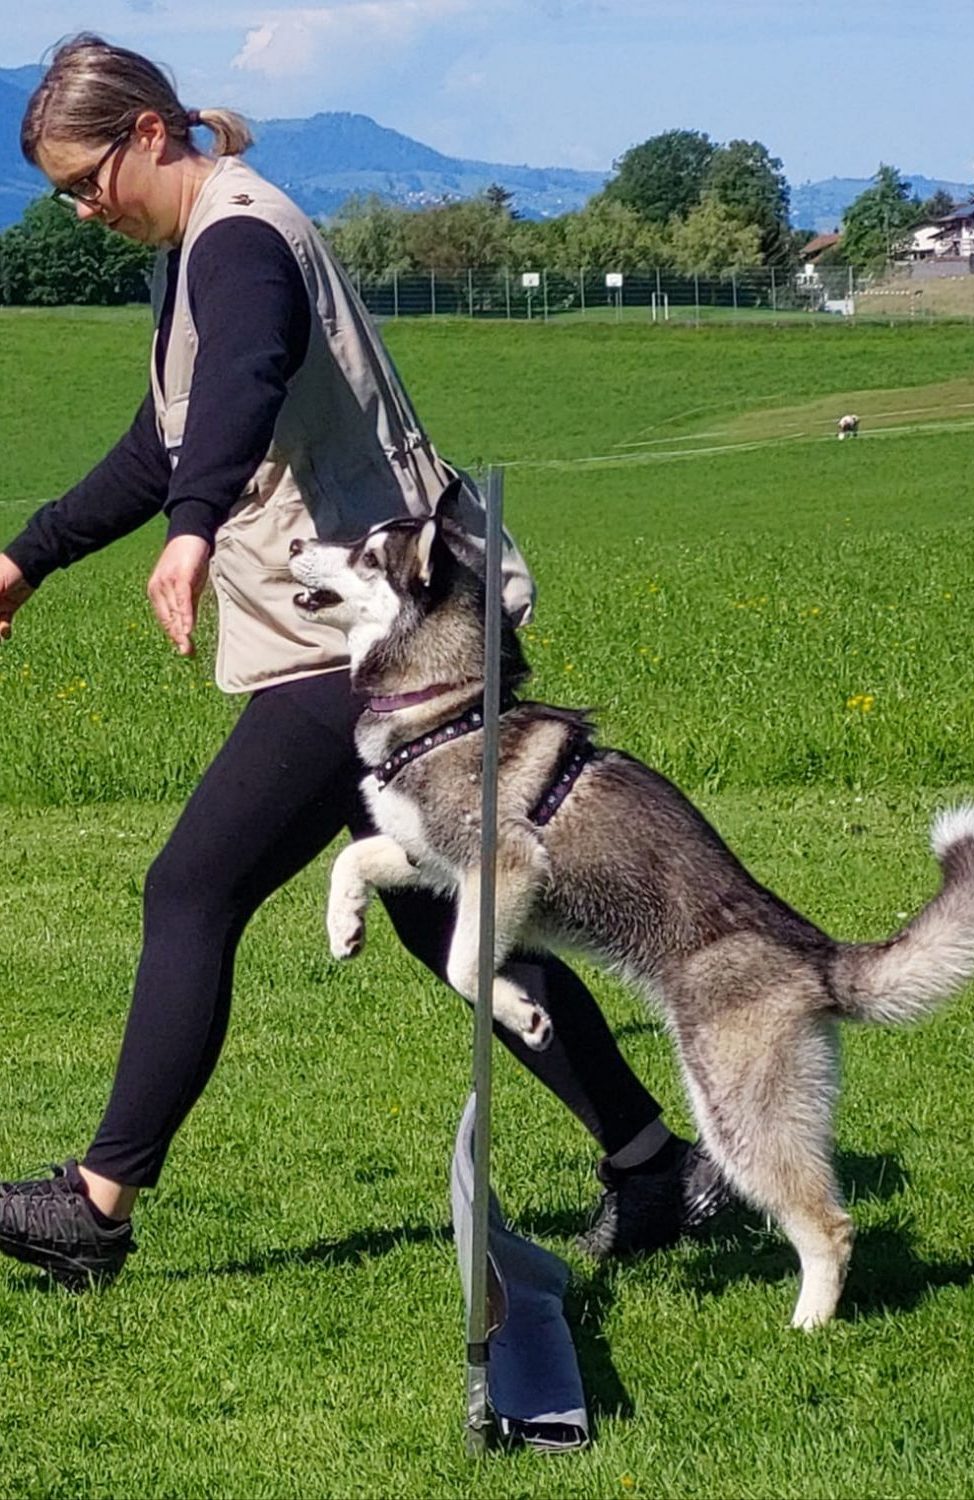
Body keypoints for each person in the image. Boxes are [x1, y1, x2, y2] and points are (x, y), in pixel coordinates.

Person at [0, 35, 727, 1289]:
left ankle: (96, 1209)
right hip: (369, 640)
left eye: (85, 181)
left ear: (149, 135)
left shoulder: (238, 240)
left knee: (192, 889)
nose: (82, 210)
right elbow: (164, 444)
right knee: (439, 910)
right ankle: (651, 1160)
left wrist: (191, 532)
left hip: (367, 641)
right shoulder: (197, 251)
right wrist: (28, 560)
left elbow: (243, 385)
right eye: (62, 194)